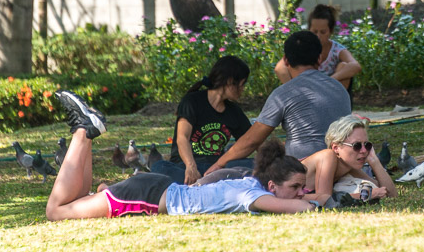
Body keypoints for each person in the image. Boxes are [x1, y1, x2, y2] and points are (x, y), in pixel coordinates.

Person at [45, 91, 321, 220]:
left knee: (78, 199)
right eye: (296, 187)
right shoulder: (254, 196)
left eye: (302, 187)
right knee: (56, 212)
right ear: (272, 186)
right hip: (148, 196)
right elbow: (302, 208)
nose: (301, 192)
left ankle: (85, 131)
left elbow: (296, 200)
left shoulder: (251, 183)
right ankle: (82, 132)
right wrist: (318, 201)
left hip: (152, 189)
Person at [204, 31, 352, 177]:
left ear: (286, 61)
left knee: (233, 164)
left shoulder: (284, 94)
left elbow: (252, 141)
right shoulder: (340, 88)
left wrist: (219, 163)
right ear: (319, 59)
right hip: (342, 166)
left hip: (302, 172)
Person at [151, 56, 254, 184]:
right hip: (186, 168)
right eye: (242, 84)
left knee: (254, 165)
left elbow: (252, 140)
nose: (243, 89)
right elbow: (182, 137)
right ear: (230, 81)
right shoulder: (192, 101)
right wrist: (191, 167)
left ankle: (201, 185)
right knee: (159, 167)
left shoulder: (234, 111)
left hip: (216, 169)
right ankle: (207, 184)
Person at [300, 115, 396, 203]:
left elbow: (390, 194)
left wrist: (374, 161)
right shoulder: (327, 156)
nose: (363, 150)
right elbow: (325, 200)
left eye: (367, 145)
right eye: (356, 145)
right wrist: (368, 195)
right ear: (336, 148)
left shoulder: (349, 166)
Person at [275, 4, 361, 90]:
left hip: (329, 92)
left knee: (343, 66)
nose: (318, 36)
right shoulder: (303, 46)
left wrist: (330, 80)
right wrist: (294, 88)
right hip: (305, 90)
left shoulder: (336, 50)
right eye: (315, 32)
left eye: (323, 32)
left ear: (331, 31)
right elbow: (279, 68)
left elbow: (355, 65)